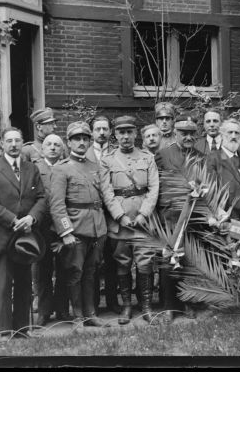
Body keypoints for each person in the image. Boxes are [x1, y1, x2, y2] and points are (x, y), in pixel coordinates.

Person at [0, 127, 47, 339]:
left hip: (25, 236)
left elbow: (42, 198)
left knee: (24, 284)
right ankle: (6, 331)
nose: (13, 144)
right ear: (2, 144)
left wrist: (31, 218)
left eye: (17, 140)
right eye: (9, 141)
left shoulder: (31, 169)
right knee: (3, 286)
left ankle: (22, 329)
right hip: (2, 236)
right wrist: (13, 220)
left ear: (22, 142)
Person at [100, 116, 159, 324]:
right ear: (115, 135)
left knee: (145, 262)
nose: (125, 136)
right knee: (122, 262)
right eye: (121, 132)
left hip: (143, 221)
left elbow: (154, 188)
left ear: (135, 134)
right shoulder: (107, 160)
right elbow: (106, 191)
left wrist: (144, 213)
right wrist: (119, 216)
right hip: (121, 222)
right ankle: (126, 306)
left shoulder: (147, 158)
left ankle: (146, 306)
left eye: (129, 132)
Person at [49, 121, 109, 329]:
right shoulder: (61, 169)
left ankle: (90, 314)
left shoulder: (95, 166)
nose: (82, 142)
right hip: (75, 228)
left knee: (91, 272)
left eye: (85, 139)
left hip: (97, 227)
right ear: (69, 142)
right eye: (77, 139)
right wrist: (66, 231)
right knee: (75, 272)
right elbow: (57, 205)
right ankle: (77, 316)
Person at [155, 114, 204, 322]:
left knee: (190, 260)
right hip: (170, 216)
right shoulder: (163, 155)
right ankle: (169, 306)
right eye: (184, 133)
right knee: (170, 260)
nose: (188, 137)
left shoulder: (201, 157)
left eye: (192, 133)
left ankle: (189, 302)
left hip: (194, 215)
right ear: (175, 133)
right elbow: (156, 185)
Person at [31, 134, 69, 324]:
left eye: (57, 145)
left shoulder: (68, 167)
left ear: (62, 150)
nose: (53, 148)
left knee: (64, 268)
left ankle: (62, 309)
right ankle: (44, 311)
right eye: (49, 144)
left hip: (64, 226)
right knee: (42, 269)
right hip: (42, 226)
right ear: (42, 148)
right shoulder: (34, 168)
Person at [85, 115, 120, 313]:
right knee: (93, 260)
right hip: (93, 213)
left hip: (113, 213)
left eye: (105, 129)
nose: (101, 132)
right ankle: (94, 304)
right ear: (92, 132)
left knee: (112, 257)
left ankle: (113, 301)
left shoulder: (117, 153)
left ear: (110, 132)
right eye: (97, 129)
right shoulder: (84, 153)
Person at [206, 119, 240, 224]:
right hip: (227, 219)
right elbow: (209, 193)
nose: (233, 136)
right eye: (230, 132)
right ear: (222, 135)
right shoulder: (213, 159)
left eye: (237, 133)